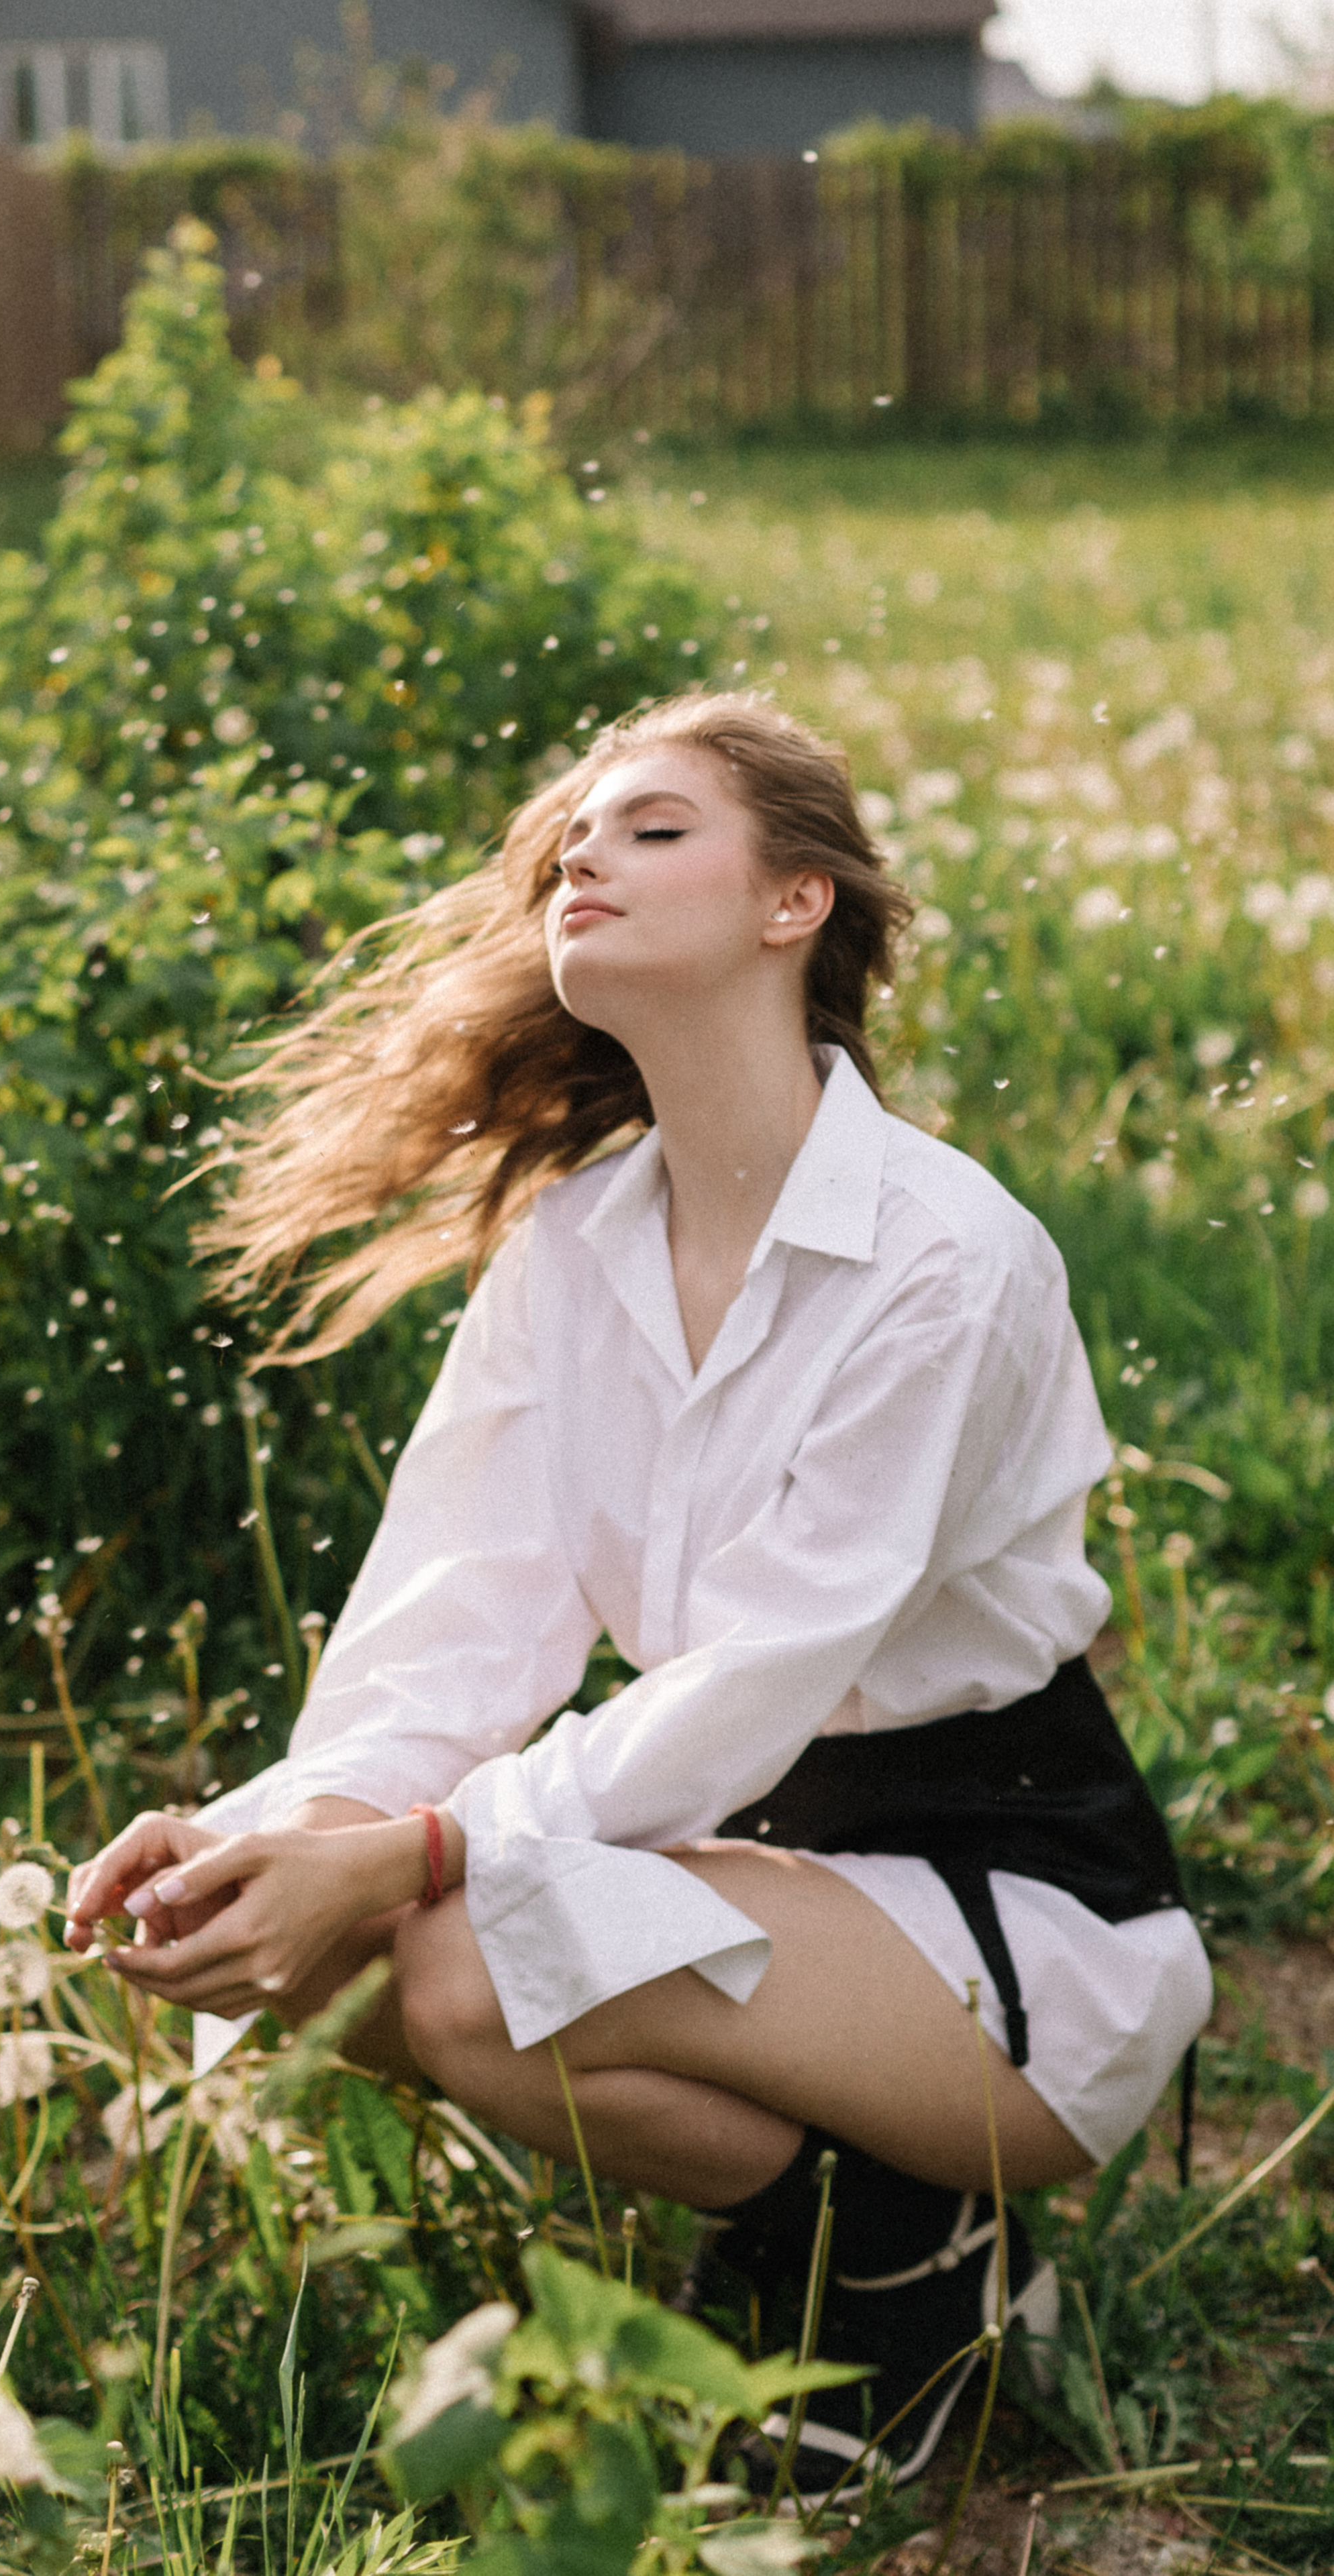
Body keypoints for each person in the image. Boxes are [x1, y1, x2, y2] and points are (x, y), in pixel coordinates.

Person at [64, 691, 1211, 2500]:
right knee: (372, 1955)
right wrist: (278, 1838)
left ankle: (909, 2272)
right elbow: (455, 1615)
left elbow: (756, 1678)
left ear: (794, 904)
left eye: (653, 828)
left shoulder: (947, 1257)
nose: (583, 855)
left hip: (1011, 1917)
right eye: (572, 841)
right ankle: (857, 2231)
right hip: (749, 1864)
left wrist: (420, 1856)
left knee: (453, 1955)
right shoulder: (575, 1249)